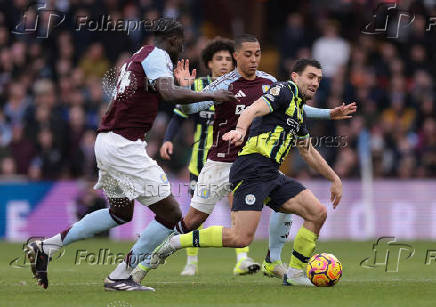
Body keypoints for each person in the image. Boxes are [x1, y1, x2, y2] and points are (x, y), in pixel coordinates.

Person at [119, 35, 355, 287]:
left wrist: (329, 115)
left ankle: (278, 264)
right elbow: (191, 109)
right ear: (237, 57)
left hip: (257, 166)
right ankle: (154, 256)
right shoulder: (224, 85)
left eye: (258, 54)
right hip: (221, 163)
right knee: (194, 222)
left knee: (303, 210)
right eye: (248, 54)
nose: (254, 59)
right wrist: (188, 92)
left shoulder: (271, 83)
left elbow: (294, 110)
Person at [24, 18, 237, 291]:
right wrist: (213, 95)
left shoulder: (139, 57)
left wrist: (189, 90)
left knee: (120, 213)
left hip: (107, 142)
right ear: (172, 39)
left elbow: (165, 95)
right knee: (171, 213)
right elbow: (169, 94)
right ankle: (120, 275)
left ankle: (47, 247)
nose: (182, 47)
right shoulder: (158, 56)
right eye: (181, 41)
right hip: (124, 146)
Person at [160, 37, 244, 276]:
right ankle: (192, 262)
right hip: (202, 162)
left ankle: (243, 259)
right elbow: (179, 115)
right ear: (209, 63)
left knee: (236, 206)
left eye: (229, 59)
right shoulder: (199, 86)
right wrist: (167, 139)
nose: (225, 63)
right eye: (219, 59)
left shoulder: (240, 87)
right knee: (196, 215)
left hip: (233, 159)